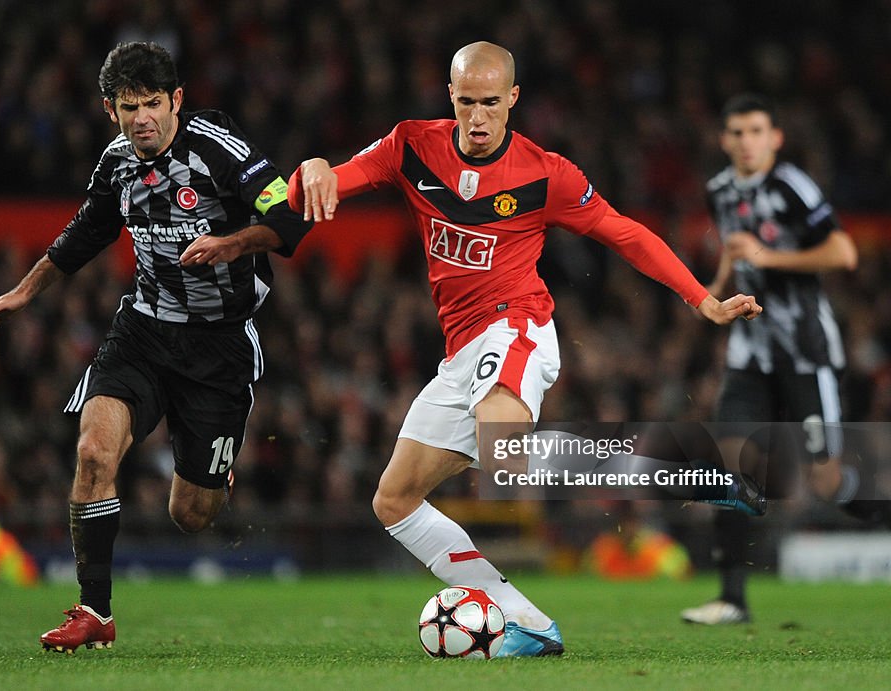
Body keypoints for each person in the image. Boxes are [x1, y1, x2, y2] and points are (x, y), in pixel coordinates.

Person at [188, 41, 761, 656]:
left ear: (513, 99)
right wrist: (312, 166)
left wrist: (700, 298)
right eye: (467, 102)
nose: (479, 118)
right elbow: (319, 187)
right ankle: (529, 623)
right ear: (450, 97)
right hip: (461, 353)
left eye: (492, 103)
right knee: (395, 500)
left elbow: (623, 232)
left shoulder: (546, 173)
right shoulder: (411, 146)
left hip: (517, 325)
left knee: (504, 452)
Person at [0, 42, 311, 652]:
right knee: (95, 451)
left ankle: (212, 474)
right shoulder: (117, 163)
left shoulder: (218, 147)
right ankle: (95, 612)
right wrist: (22, 294)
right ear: (111, 110)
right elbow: (84, 235)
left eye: (154, 103)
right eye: (130, 107)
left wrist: (231, 244)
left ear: (176, 100)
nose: (143, 117)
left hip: (220, 345)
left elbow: (291, 220)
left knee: (191, 514)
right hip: (144, 331)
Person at [679, 93, 888, 625]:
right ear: (724, 140)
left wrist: (770, 257)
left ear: (775, 137)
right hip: (751, 353)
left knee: (826, 482)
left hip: (805, 354)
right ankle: (732, 599)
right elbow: (733, 249)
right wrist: (714, 294)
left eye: (756, 131)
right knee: (728, 464)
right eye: (738, 133)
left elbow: (843, 252)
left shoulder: (793, 186)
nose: (747, 142)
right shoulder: (720, 189)